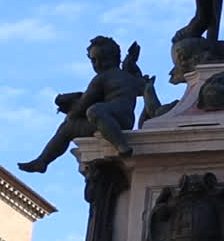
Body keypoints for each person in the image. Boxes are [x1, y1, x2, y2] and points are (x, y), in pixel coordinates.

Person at [18, 37, 142, 172]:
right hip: (124, 119)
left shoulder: (101, 78)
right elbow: (140, 88)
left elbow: (83, 106)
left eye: (102, 59)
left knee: (70, 126)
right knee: (88, 114)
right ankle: (41, 161)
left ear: (114, 58)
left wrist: (70, 111)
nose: (97, 64)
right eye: (94, 60)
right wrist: (131, 63)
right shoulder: (126, 76)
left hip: (112, 119)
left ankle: (121, 144)